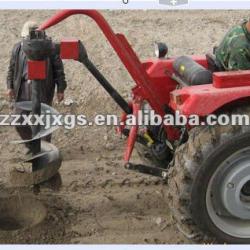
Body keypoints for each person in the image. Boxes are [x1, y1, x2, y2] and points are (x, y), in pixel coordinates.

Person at [6, 21, 67, 152]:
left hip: (42, 88)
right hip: (22, 89)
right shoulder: (18, 48)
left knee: (43, 119)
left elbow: (58, 69)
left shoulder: (49, 48)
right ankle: (32, 146)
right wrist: (10, 86)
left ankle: (45, 150)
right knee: (19, 120)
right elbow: (12, 68)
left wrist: (60, 89)